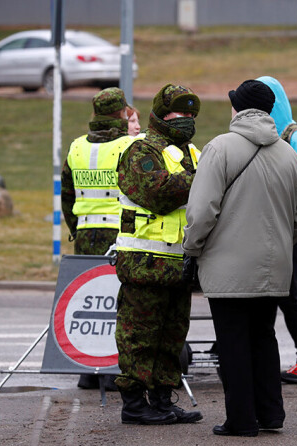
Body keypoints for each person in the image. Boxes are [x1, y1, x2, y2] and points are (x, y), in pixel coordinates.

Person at [183, 79, 297, 437]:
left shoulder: (220, 148)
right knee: (264, 337)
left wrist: (192, 248)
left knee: (233, 341)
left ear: (238, 109)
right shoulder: (289, 153)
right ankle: (271, 413)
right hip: (274, 268)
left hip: (227, 268)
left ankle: (241, 420)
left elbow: (201, 210)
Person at [115, 83, 203, 425]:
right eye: (179, 114)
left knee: (172, 338)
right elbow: (159, 193)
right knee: (139, 337)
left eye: (191, 115)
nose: (186, 120)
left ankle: (164, 401)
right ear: (160, 116)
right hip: (144, 263)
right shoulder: (141, 151)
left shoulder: (193, 153)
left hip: (180, 263)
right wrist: (206, 178)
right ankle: (135, 405)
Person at [60, 87, 135, 390]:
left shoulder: (77, 147)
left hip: (85, 235)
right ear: (120, 114)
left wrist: (77, 227)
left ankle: (87, 370)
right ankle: (112, 368)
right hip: (120, 235)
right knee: (118, 304)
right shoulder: (129, 145)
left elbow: (67, 195)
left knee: (91, 299)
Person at [256, 75, 297, 384]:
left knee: (289, 293)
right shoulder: (272, 135)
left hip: (293, 227)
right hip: (275, 225)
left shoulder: (295, 136)